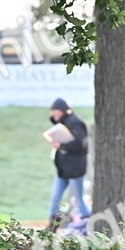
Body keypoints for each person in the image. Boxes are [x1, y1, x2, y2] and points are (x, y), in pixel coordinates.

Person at [46, 97, 88, 231]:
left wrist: (62, 145)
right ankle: (53, 224)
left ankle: (87, 219)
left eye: (56, 112)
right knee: (55, 198)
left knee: (79, 199)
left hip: (75, 168)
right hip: (63, 169)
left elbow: (80, 144)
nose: (54, 115)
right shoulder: (65, 122)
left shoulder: (76, 123)